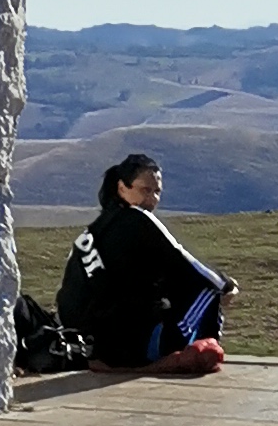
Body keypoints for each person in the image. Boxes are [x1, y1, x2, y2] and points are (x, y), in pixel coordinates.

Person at [55, 153, 237, 374]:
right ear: (122, 188)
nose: (152, 199)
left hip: (87, 346)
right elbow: (185, 263)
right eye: (145, 190)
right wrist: (226, 286)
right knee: (212, 292)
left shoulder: (93, 231)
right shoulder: (138, 218)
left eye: (157, 192)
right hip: (134, 345)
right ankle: (198, 348)